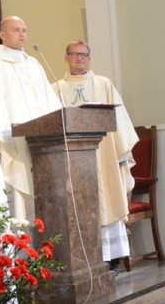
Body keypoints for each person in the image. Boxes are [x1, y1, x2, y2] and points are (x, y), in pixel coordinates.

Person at [53, 40, 139, 273]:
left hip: (104, 156)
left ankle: (109, 260)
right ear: (66, 57)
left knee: (106, 200)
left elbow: (119, 119)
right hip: (70, 159)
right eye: (74, 54)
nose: (79, 58)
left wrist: (122, 154)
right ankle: (79, 261)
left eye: (83, 54)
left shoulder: (103, 84)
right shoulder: (56, 88)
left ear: (89, 58)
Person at [0, 16, 61, 221]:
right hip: (13, 144)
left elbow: (51, 103)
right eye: (16, 30)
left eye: (24, 30)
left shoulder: (35, 64)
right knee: (18, 202)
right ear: (2, 35)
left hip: (41, 145)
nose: (22, 34)